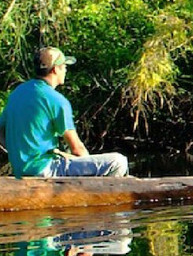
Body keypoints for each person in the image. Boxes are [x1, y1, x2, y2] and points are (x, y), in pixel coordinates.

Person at [0, 47, 128, 178]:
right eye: (64, 66)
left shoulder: (17, 93)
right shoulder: (57, 100)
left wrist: (17, 152)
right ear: (55, 69)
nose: (66, 70)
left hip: (20, 171)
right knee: (118, 162)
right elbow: (77, 148)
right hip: (45, 169)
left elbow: (1, 132)